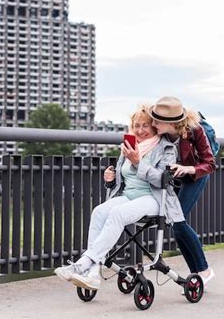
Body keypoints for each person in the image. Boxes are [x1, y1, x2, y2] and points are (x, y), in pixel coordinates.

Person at [54, 104, 184, 290]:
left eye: (145, 126)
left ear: (154, 126)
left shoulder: (167, 149)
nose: (140, 131)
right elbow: (122, 179)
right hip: (129, 196)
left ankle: (83, 264)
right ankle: (92, 272)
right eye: (136, 125)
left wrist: (138, 162)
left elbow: (161, 180)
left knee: (117, 213)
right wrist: (110, 178)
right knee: (98, 211)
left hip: (154, 199)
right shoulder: (130, 146)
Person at [149, 96, 216, 287]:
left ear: (171, 123)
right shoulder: (159, 133)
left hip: (195, 175)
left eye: (157, 120)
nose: (153, 123)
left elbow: (210, 163)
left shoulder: (195, 131)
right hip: (174, 177)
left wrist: (189, 169)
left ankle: (204, 270)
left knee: (179, 222)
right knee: (176, 225)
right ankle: (196, 275)